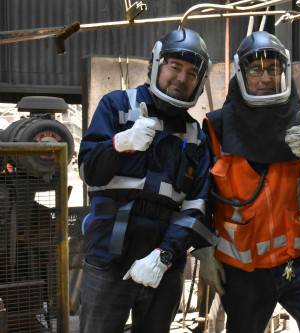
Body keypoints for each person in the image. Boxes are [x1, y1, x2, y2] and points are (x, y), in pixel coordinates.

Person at [193, 31, 300, 333]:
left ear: (283, 71)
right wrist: (203, 251)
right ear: (242, 74)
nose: (265, 77)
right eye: (255, 69)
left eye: (273, 68)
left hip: (296, 262)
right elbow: (199, 196)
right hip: (242, 270)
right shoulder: (216, 127)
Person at [77, 28, 217, 333]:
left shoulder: (196, 137)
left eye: (192, 73)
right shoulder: (116, 106)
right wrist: (118, 144)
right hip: (108, 259)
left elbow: (196, 206)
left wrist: (164, 256)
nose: (181, 78)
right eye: (174, 67)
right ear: (155, 64)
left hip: (164, 268)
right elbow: (89, 171)